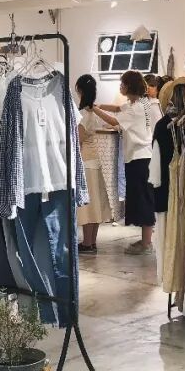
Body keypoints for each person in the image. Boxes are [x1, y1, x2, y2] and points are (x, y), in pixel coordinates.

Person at [91, 70, 155, 255]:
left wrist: (93, 109)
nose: (120, 86)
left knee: (143, 200)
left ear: (129, 86)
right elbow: (119, 109)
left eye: (122, 84)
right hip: (140, 157)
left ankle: (146, 243)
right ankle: (145, 240)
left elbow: (114, 120)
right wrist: (99, 105)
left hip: (140, 158)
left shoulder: (136, 109)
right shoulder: (139, 103)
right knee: (140, 198)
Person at [74, 74, 111, 254]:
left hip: (85, 162)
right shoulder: (93, 113)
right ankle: (92, 242)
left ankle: (87, 243)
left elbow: (78, 140)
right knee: (95, 203)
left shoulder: (82, 115)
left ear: (80, 91)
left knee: (88, 205)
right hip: (94, 161)